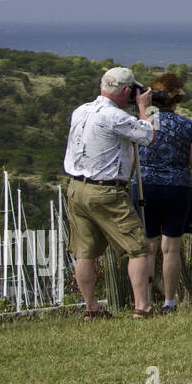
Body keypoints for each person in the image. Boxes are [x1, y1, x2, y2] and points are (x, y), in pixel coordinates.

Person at [63, 66, 158, 320]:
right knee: (137, 247)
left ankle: (91, 308)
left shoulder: (80, 111)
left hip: (76, 188)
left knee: (85, 251)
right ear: (127, 91)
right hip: (106, 191)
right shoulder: (115, 117)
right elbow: (149, 136)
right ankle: (142, 308)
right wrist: (145, 108)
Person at [134, 73, 192, 312]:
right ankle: (170, 301)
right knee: (171, 247)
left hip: (145, 186)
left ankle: (144, 301)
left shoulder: (143, 122)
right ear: (176, 99)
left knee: (147, 246)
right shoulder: (186, 125)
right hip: (177, 187)